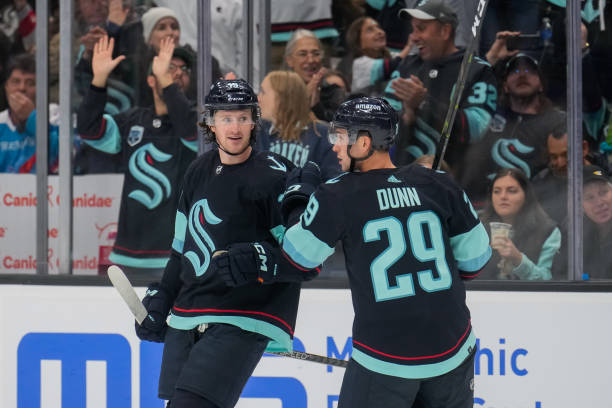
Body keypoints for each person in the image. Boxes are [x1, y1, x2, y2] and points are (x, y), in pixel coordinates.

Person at [214, 97, 492, 407]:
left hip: (385, 357)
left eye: (340, 136)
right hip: (453, 350)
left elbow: (298, 257)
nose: (334, 145)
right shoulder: (439, 184)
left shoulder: (338, 193)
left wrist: (298, 200)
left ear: (363, 142)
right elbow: (475, 264)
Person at [134, 78, 311, 407]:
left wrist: (259, 261)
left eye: (243, 117)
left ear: (255, 121)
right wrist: (162, 297)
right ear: (210, 123)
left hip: (242, 315)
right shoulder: (198, 170)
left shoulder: (274, 174)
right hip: (189, 313)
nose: (235, 127)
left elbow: (303, 258)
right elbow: (180, 252)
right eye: (226, 118)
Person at [76, 36, 197, 273]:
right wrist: (98, 81)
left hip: (177, 258)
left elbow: (190, 130)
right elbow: (89, 130)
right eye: (169, 67)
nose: (177, 74)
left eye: (183, 69)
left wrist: (166, 79)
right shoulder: (133, 120)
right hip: (127, 256)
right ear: (151, 80)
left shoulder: (197, 122)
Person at [383, 0, 497, 175]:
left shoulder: (476, 69)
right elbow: (380, 123)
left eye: (421, 29)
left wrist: (424, 104)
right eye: (413, 29)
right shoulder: (407, 66)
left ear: (445, 31)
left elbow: (475, 130)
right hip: (403, 183)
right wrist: (407, 116)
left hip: (454, 183)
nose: (413, 37)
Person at [459, 53, 566, 208]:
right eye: (515, 72)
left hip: (535, 212)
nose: (522, 75)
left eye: (530, 71)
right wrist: (490, 60)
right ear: (505, 86)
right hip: (483, 208)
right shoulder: (487, 117)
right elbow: (461, 104)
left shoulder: (557, 121)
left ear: (541, 84)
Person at [256, 70, 341, 180]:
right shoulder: (257, 132)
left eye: (263, 92)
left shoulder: (324, 135)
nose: (258, 98)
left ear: (282, 98)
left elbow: (334, 182)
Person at [479, 168, 561, 280]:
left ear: (526, 196)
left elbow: (549, 280)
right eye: (497, 191)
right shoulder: (479, 231)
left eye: (511, 191)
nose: (503, 196)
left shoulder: (548, 231)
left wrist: (518, 259)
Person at [0, 53, 59, 173]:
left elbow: (67, 152)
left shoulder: (55, 114)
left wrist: (32, 117)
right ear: (6, 87)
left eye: (30, 83)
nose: (22, 88)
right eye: (15, 81)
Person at [338, 16, 413, 96]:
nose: (380, 32)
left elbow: (409, 59)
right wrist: (409, 46)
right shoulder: (359, 64)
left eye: (378, 27)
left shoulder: (390, 55)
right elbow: (392, 66)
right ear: (358, 41)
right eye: (370, 30)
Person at [283, 29, 345, 122]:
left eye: (316, 54)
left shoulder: (333, 92)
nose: (311, 60)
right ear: (289, 60)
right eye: (303, 54)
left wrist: (316, 106)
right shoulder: (280, 92)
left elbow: (340, 128)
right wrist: (303, 99)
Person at [582, 165, 612, 279]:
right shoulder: (575, 233)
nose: (599, 203)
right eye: (589, 197)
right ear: (580, 205)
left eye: (603, 192)